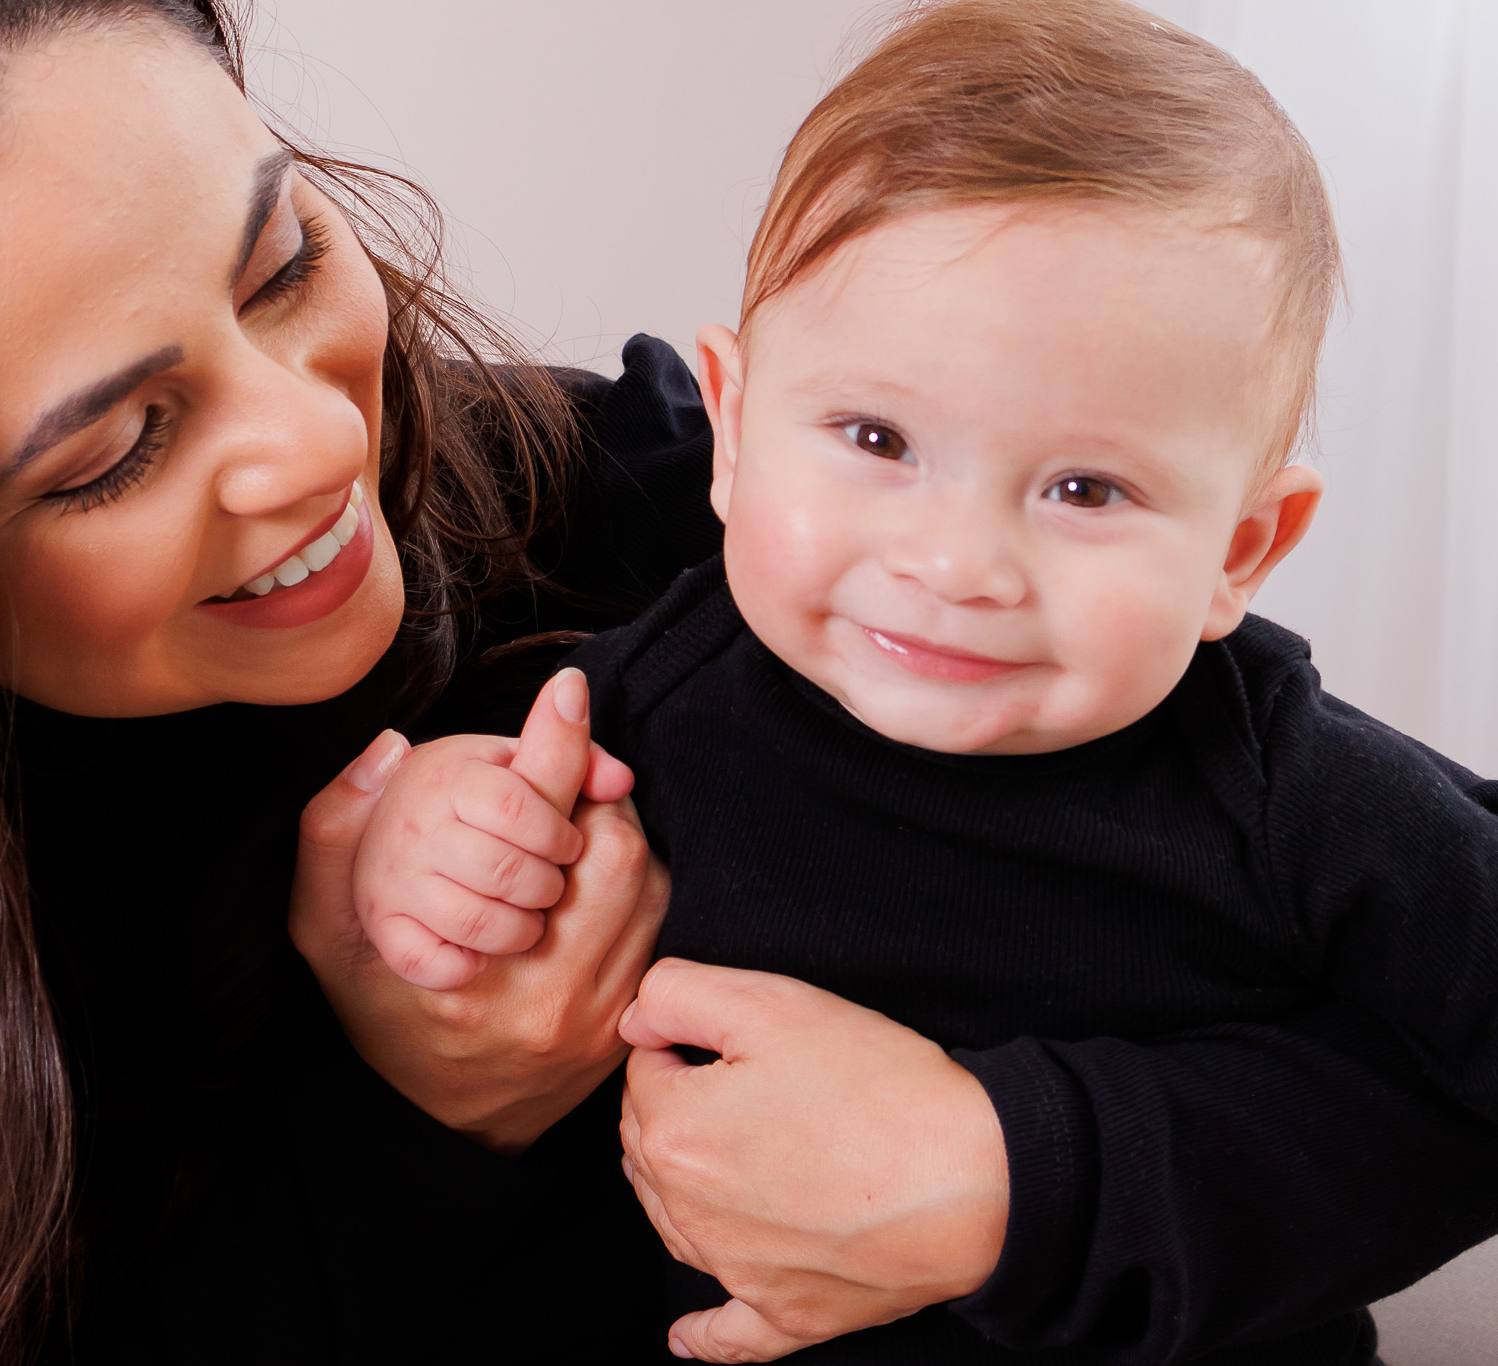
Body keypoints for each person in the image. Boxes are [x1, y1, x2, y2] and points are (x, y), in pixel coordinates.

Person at [0, 0, 1492, 1363]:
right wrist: (427, 1105)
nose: (322, 446)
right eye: (109, 448)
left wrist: (1014, 1167)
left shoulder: (674, 521)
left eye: (283, 264)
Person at [347, 2, 1498, 1363]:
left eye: (1085, 487)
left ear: (1238, 552)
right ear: (729, 429)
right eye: (877, 436)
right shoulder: (658, 680)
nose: (954, 561)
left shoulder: (1275, 783)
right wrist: (429, 834)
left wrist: (1051, 1158)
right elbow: (496, 824)